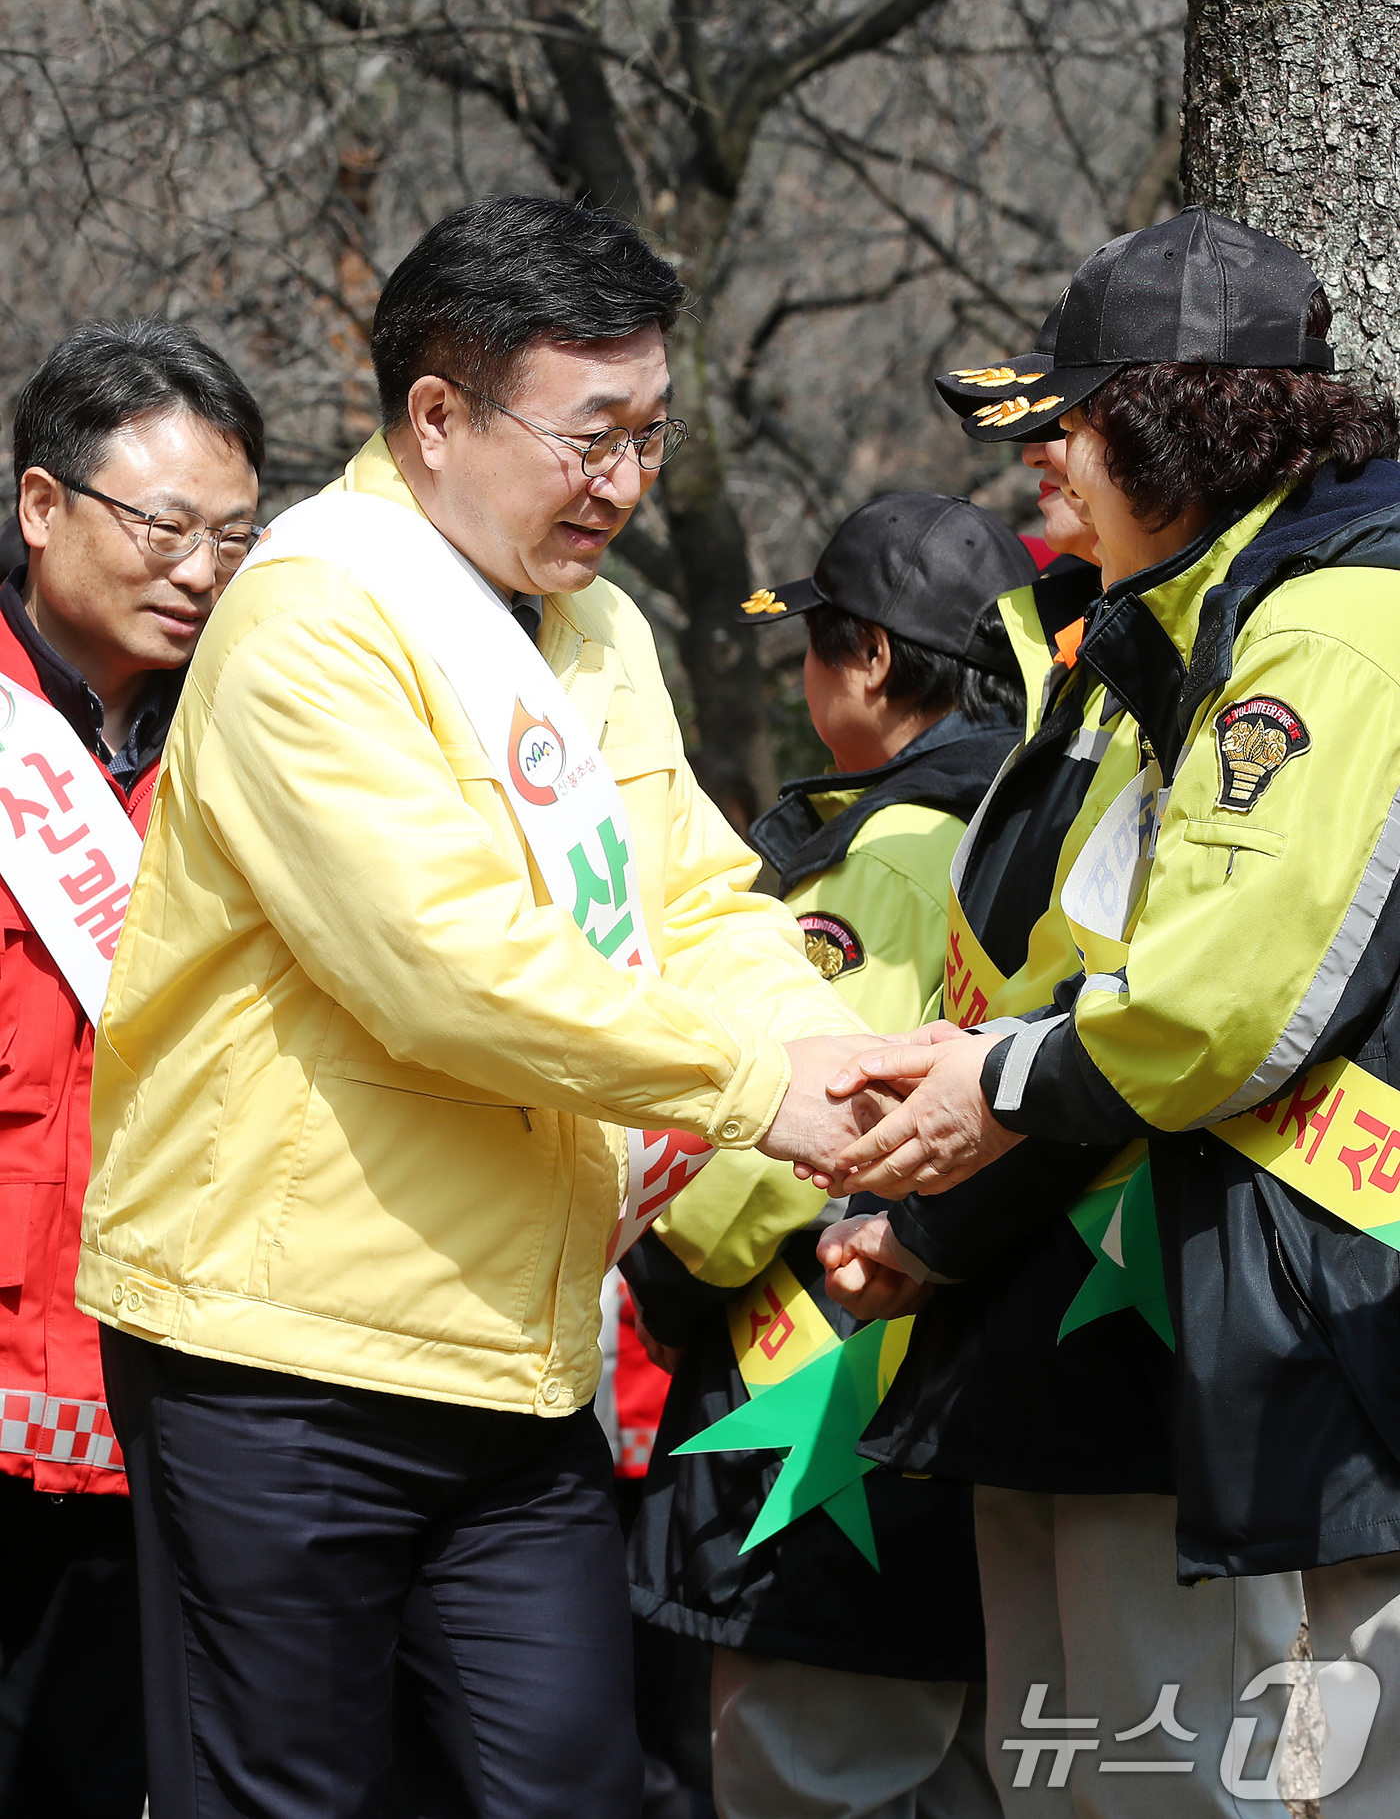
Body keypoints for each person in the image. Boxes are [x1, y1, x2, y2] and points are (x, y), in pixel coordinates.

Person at [76, 195, 878, 1819]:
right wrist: (755, 1091)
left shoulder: (596, 631)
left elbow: (698, 902)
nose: (627, 484)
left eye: (651, 436)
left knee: (567, 1788)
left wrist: (845, 1072)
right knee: (284, 1798)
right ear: (435, 416)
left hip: (517, 1363)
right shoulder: (313, 616)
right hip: (282, 1355)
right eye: (591, 437)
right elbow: (446, 970)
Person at [823, 206, 1400, 1814]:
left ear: (1170, 423)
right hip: (1200, 1305)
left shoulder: (1328, 630)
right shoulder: (1194, 626)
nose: (1040, 460)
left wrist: (991, 1082)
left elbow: (1213, 999)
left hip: (1310, 1317)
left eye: (1069, 422)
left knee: (1286, 1773)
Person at [625, 494, 1034, 1819]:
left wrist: (670, 1273)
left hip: (820, 1384)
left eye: (814, 646)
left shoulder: (887, 853)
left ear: (867, 658)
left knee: (808, 1772)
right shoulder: (1033, 818)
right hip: (990, 1370)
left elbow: (805, 1104)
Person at [0, 322, 263, 1818]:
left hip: (148, 1392)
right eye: (162, 525)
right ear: (44, 508)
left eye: (233, 534)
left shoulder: (258, 747)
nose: (201, 569)